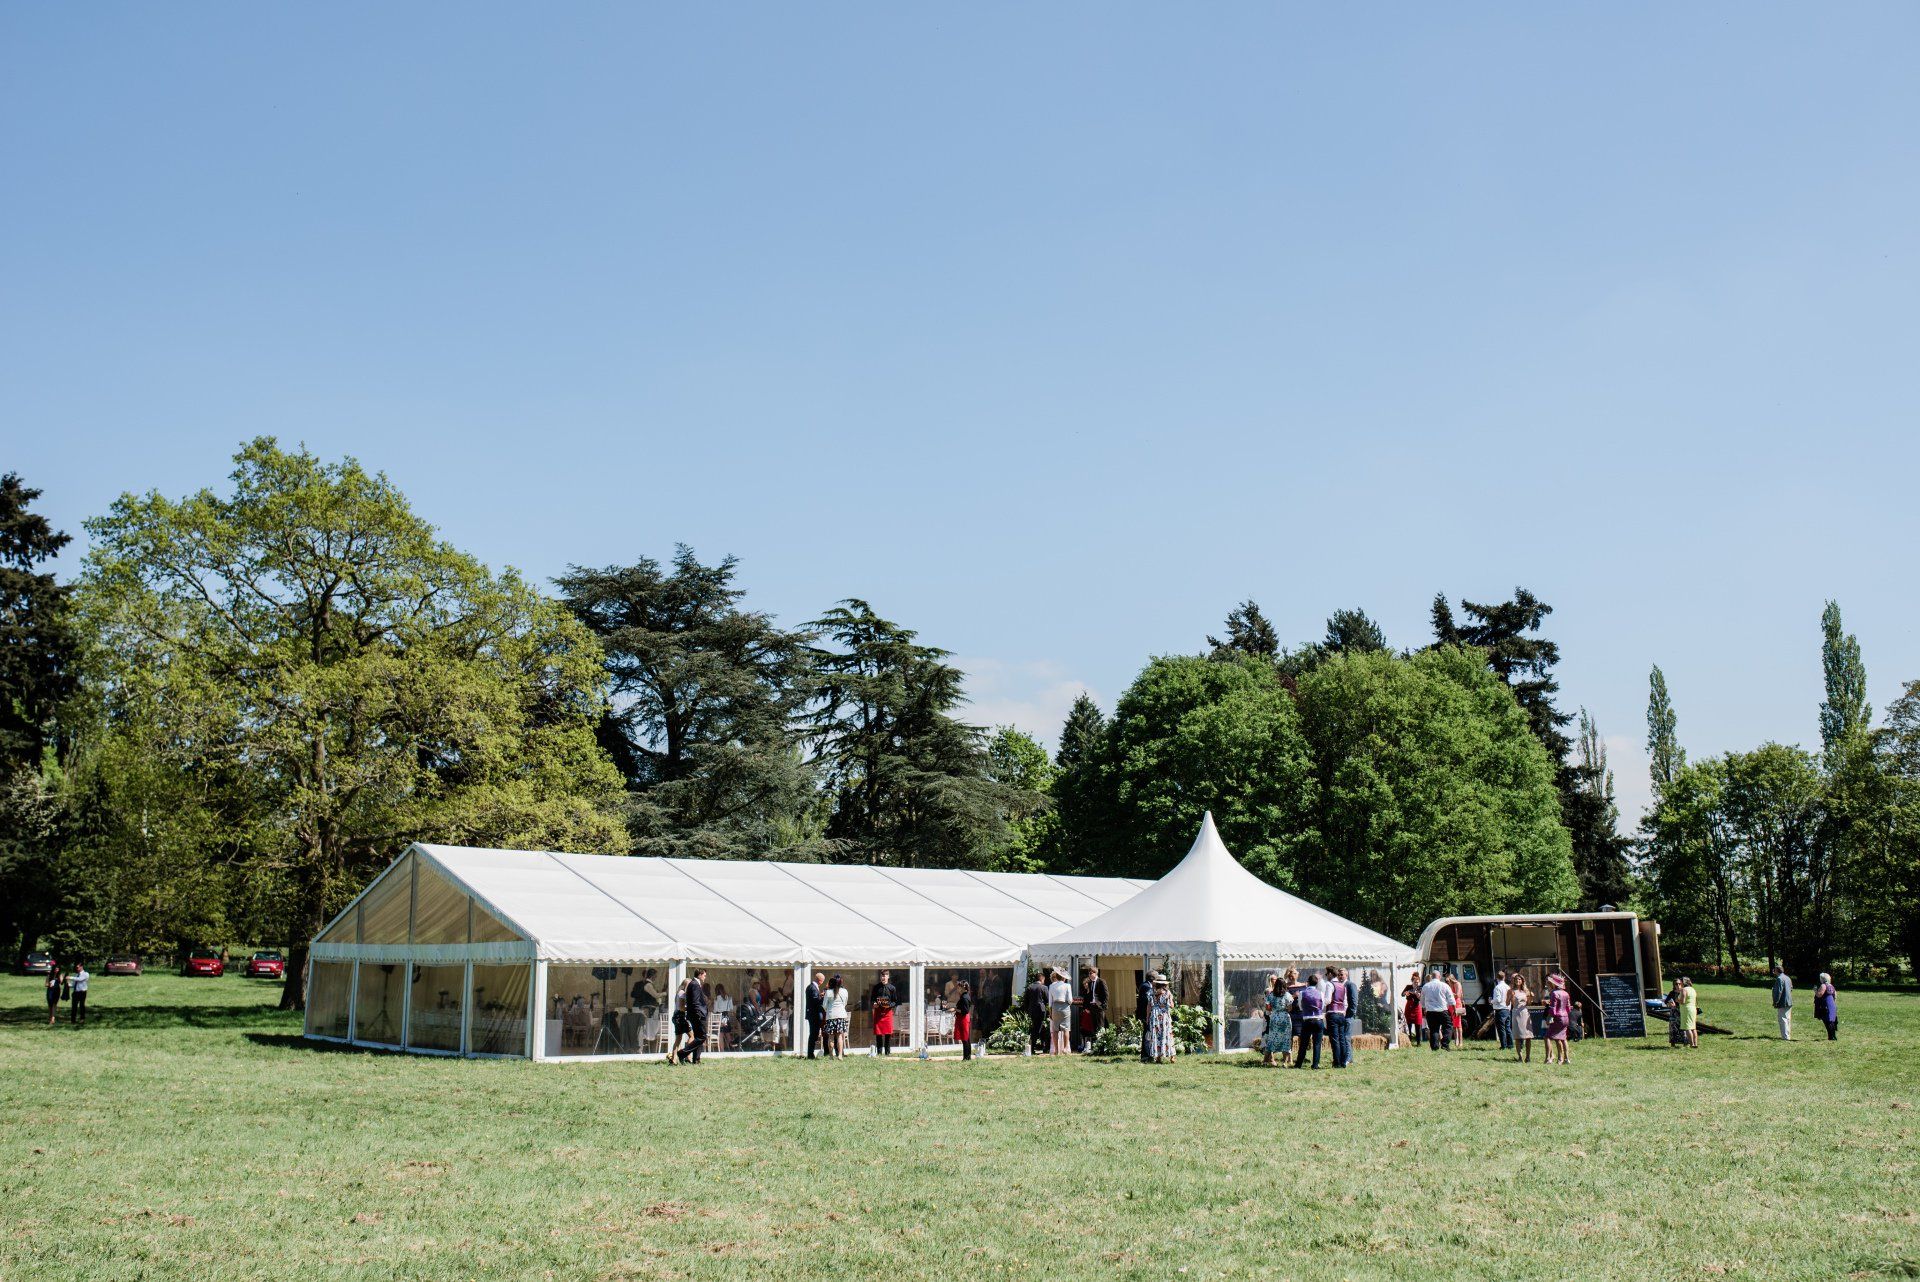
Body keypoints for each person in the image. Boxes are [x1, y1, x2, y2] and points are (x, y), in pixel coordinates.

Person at [1294, 971, 1325, 1069]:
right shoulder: (1320, 993)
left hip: (1307, 1020)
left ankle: (1298, 1064)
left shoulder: (1302, 993)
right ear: (1316, 983)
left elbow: (1300, 1006)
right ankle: (1315, 1064)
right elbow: (1322, 1006)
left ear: (1307, 982)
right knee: (1317, 1044)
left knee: (1303, 1043)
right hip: (1318, 1019)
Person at [1143, 973, 1175, 1063]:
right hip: (1164, 1015)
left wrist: (1147, 1017)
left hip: (1154, 1015)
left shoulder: (1151, 992)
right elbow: (1172, 1006)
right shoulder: (1168, 993)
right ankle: (1171, 1056)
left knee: (1156, 1035)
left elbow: (1148, 1006)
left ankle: (1158, 1057)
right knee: (1167, 1034)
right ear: (1165, 984)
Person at [1261, 974, 1292, 1067]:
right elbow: (1290, 1008)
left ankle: (1266, 1061)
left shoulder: (1271, 995)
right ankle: (1285, 1062)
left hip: (1274, 1017)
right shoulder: (1287, 995)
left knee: (1272, 1038)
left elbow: (1268, 1008)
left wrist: (1275, 1009)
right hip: (1285, 1018)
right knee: (1286, 1039)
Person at [1542, 974, 1573, 1065]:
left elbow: (1553, 1007)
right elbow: (1568, 1008)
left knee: (1547, 1037)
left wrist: (1550, 1017)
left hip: (1557, 1017)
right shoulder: (1566, 993)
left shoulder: (1554, 993)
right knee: (1563, 1038)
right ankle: (1565, 1059)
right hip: (1565, 1017)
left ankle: (1548, 1059)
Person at [1420, 970, 1453, 1051]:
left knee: (1434, 1029)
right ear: (1439, 977)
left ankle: (1435, 1047)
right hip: (1442, 1010)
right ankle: (1445, 1044)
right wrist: (1451, 1007)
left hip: (1430, 1011)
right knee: (1448, 1027)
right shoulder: (1444, 985)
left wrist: (1424, 1008)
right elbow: (1451, 999)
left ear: (1432, 976)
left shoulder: (1426, 986)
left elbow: (1422, 1001)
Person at [1326, 967, 1352, 1069]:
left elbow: (1328, 1000)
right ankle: (1343, 1062)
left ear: (1330, 974)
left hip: (1332, 1013)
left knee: (1335, 1039)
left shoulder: (1330, 984)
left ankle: (1336, 1062)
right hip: (1341, 1014)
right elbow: (1345, 1003)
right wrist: (1343, 1012)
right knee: (1341, 1039)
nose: (1326, 976)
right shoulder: (1342, 985)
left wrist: (1317, 1001)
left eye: (1326, 974)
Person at [682, 968, 710, 1063]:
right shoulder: (694, 984)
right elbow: (695, 1002)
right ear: (700, 975)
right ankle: (683, 1053)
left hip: (696, 1014)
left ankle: (696, 1059)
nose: (705, 977)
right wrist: (698, 1014)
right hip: (697, 1015)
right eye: (704, 975)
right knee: (702, 1036)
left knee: (699, 1036)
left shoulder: (694, 984)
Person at [1079, 966, 1108, 1053]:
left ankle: (1101, 1047)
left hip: (1099, 1008)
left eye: (1092, 973)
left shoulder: (1101, 981)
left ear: (1096, 973)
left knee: (1100, 1026)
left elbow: (1106, 995)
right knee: (1094, 1028)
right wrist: (1087, 1007)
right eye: (1089, 973)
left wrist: (1103, 1006)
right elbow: (1089, 997)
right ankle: (1095, 1047)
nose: (1090, 975)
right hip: (1092, 1007)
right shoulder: (1090, 983)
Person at [870, 970, 898, 1056]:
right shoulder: (876, 987)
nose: (884, 977)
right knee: (878, 1034)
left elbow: (895, 1001)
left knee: (888, 1034)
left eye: (886, 975)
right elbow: (872, 1000)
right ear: (880, 977)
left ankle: (887, 1053)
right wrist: (874, 1004)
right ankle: (878, 1052)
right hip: (878, 1012)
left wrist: (889, 1005)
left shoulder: (892, 988)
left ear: (888, 976)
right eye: (882, 975)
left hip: (887, 1013)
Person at [822, 974, 850, 1058]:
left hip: (831, 1016)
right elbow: (845, 1003)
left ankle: (831, 1056)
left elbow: (824, 1005)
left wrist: (828, 1010)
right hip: (841, 1015)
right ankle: (840, 1055)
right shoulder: (844, 991)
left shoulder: (828, 992)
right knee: (840, 1036)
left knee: (830, 1036)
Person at [1048, 969, 1074, 1056]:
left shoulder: (1051, 986)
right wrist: (1069, 1002)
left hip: (1055, 1007)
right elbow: (1070, 1000)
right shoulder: (1067, 985)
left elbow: (1050, 1001)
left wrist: (1050, 1012)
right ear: (1063, 978)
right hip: (1065, 1007)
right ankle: (1066, 1048)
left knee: (1055, 1030)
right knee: (1066, 1028)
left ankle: (1056, 1050)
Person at [1023, 972, 1050, 1054]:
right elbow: (1048, 1000)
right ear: (1042, 979)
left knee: (1038, 1027)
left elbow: (1025, 1001)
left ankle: (1041, 1046)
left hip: (1032, 1011)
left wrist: (1028, 1010)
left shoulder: (1029, 987)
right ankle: (1034, 1047)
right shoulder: (1044, 987)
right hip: (1041, 1011)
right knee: (1038, 1028)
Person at [1508, 976, 1533, 1062]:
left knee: (1528, 1036)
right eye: (1516, 979)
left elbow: (1529, 1003)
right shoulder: (1511, 991)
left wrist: (1530, 997)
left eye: (1519, 979)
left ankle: (1528, 1057)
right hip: (1516, 1013)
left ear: (1522, 981)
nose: (1517, 981)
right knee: (1518, 1037)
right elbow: (1507, 1003)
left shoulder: (1526, 991)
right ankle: (1520, 1057)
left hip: (1525, 1013)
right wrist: (1510, 997)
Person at [669, 981, 694, 1064]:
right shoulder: (682, 993)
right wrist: (691, 1007)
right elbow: (681, 1007)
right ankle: (686, 1055)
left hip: (676, 1016)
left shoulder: (678, 992)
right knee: (692, 1036)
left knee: (678, 1040)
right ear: (686, 985)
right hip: (681, 1017)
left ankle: (674, 1059)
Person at [805, 970, 825, 1059]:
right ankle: (810, 1054)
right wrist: (823, 997)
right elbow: (815, 1001)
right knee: (813, 1034)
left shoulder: (812, 987)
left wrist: (819, 995)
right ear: (820, 981)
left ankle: (810, 1053)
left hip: (812, 1014)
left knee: (814, 1034)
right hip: (814, 1015)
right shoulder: (813, 988)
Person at [1491, 971, 1512, 1051]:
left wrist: (1491, 1001)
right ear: (1504, 977)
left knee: (1501, 1028)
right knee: (1507, 1028)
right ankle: (1510, 1044)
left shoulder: (1497, 987)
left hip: (1500, 1010)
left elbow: (1498, 1000)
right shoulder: (1508, 987)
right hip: (1507, 1009)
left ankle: (1503, 1045)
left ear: (1497, 978)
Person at [954, 980, 975, 1060]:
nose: (958, 988)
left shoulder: (965, 997)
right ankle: (967, 1056)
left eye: (959, 986)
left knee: (965, 1039)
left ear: (963, 987)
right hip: (964, 1019)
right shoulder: (964, 995)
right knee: (965, 1038)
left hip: (964, 1019)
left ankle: (967, 1057)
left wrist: (955, 1009)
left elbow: (965, 1011)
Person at [1772, 965, 1794, 1041]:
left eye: (1774, 969)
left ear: (1777, 971)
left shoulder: (1779, 979)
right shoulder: (1787, 977)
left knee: (1783, 1019)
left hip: (1783, 1001)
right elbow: (1791, 988)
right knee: (1788, 1019)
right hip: (1789, 1001)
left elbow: (1779, 991)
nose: (1773, 971)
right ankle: (1787, 1035)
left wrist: (1775, 1001)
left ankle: (1785, 1037)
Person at [1814, 973, 1838, 1041]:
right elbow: (1835, 995)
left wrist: (1815, 990)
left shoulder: (1823, 985)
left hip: (1825, 1005)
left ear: (1822, 979)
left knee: (1827, 1021)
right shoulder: (1831, 986)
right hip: (1832, 1004)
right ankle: (1833, 1036)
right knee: (1831, 1021)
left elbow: (1819, 995)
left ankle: (1831, 1037)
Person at [1402, 976, 1424, 1048]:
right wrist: (1406, 993)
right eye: (1415, 982)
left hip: (1417, 1007)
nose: (1416, 983)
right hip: (1409, 1006)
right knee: (1408, 1024)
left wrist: (1418, 995)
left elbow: (1421, 998)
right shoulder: (1408, 987)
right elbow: (1402, 994)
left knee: (1418, 1024)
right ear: (1412, 981)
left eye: (1417, 982)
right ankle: (1409, 1040)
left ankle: (1418, 1042)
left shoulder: (1420, 988)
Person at [1677, 976, 1699, 1049]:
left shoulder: (1684, 990)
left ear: (1683, 983)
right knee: (1693, 1027)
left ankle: (1691, 1044)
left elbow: (1683, 1001)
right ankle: (1695, 1043)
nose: (1679, 984)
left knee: (1688, 1028)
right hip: (1693, 1008)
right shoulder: (1693, 989)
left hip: (1686, 1009)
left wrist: (1677, 1000)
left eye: (1680, 982)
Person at [712, 984, 734, 1051]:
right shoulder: (728, 997)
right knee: (728, 1034)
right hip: (726, 1016)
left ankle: (722, 1050)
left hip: (719, 1017)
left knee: (720, 1035)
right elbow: (731, 1008)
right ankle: (732, 1048)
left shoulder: (716, 999)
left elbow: (715, 1010)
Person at [1666, 978, 1687, 1048]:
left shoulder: (1684, 991)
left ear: (1682, 984)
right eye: (1676, 984)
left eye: (1679, 983)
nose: (1678, 985)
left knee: (1683, 1027)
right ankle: (1673, 1043)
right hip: (1674, 1012)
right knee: (1673, 1027)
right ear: (1674, 985)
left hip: (1682, 1011)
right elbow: (1666, 1001)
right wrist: (1670, 1004)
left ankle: (1685, 1042)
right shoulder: (1672, 993)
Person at [1446, 971, 1465, 1046]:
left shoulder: (1457, 983)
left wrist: (1449, 993)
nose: (1447, 982)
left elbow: (1458, 995)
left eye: (1448, 981)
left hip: (1457, 1004)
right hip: (1451, 1004)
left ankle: (1461, 1041)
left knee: (1458, 1023)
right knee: (1454, 1024)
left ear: (1451, 979)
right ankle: (1456, 1040)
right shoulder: (1450, 985)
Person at [45, 962, 63, 1027]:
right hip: (50, 991)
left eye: (58, 969)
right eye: (56, 969)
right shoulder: (49, 975)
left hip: (57, 991)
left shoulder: (60, 975)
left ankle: (53, 1018)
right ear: (53, 969)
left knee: (54, 1004)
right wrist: (49, 984)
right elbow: (46, 984)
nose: (56, 970)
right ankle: (50, 1017)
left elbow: (61, 983)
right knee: (50, 1004)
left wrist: (60, 978)